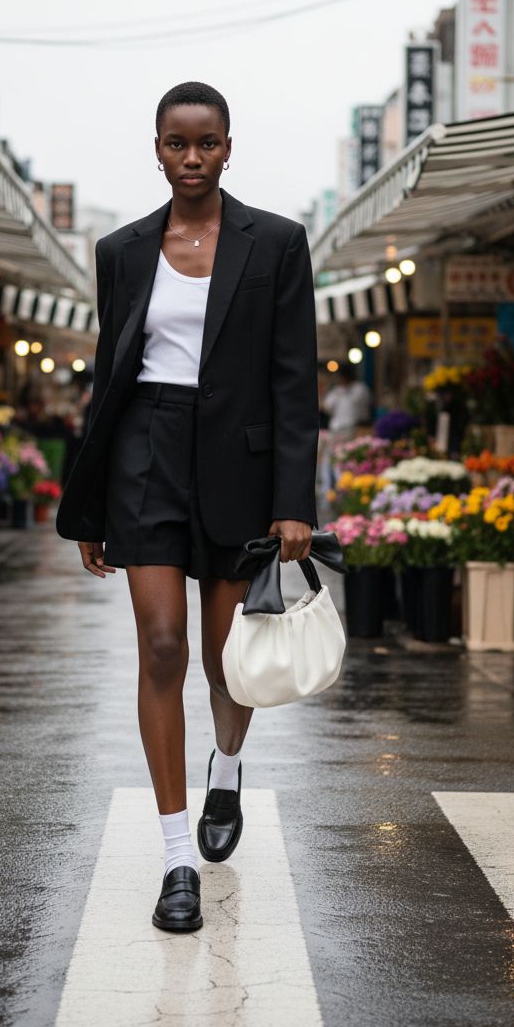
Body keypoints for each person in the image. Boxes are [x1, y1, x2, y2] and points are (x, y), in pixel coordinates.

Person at [56, 82, 319, 933]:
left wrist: (293, 502)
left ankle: (227, 767)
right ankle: (176, 859)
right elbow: (110, 379)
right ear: (158, 149)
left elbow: (293, 380)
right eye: (178, 143)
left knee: (224, 661)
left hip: (239, 466)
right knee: (162, 645)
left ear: (229, 147)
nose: (193, 157)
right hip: (146, 454)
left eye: (207, 143)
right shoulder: (123, 251)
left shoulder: (276, 242)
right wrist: (92, 501)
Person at [321, 363, 372, 437]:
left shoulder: (360, 388)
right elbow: (326, 407)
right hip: (336, 428)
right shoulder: (336, 390)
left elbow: (362, 407)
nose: (342, 380)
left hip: (355, 428)